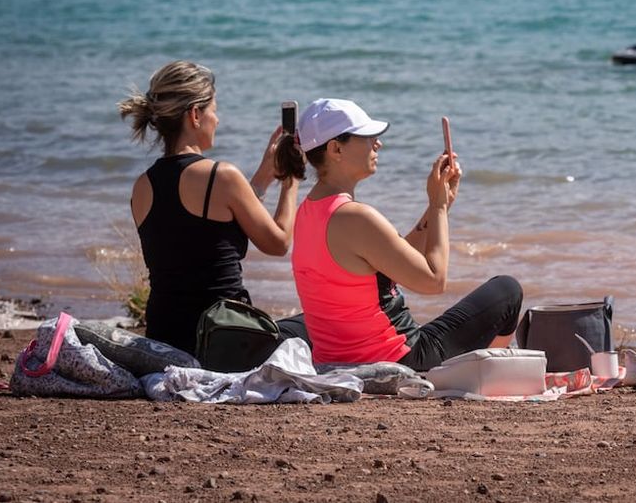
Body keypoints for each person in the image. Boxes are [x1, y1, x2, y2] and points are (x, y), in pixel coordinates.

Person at [276, 98, 522, 372]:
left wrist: (437, 208)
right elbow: (433, 280)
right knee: (507, 290)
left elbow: (391, 261)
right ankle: (489, 375)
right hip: (401, 358)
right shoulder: (355, 217)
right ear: (336, 148)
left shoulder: (308, 211)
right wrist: (438, 207)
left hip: (337, 360)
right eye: (367, 137)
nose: (377, 144)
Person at [118, 60, 298, 354]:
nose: (218, 119)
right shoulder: (222, 176)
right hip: (223, 339)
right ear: (195, 115)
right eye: (214, 110)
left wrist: (265, 173)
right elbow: (278, 243)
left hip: (164, 338)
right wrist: (291, 180)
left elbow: (209, 231)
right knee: (310, 326)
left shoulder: (142, 186)